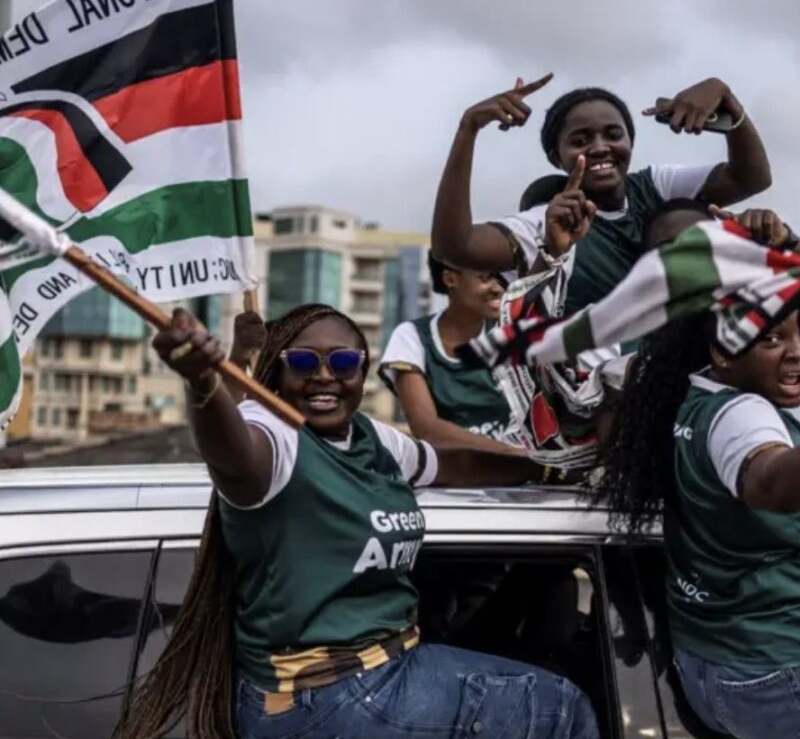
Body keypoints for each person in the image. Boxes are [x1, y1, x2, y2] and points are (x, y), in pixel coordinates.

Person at [115, 303, 599, 739]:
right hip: (333, 693)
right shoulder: (277, 442)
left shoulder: (370, 439)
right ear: (279, 373)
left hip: (373, 679)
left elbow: (454, 465)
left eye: (343, 363)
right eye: (304, 363)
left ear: (362, 372)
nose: (324, 376)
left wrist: (548, 466)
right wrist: (203, 382)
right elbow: (232, 452)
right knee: (567, 708)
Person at [596, 308, 800, 739]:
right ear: (723, 352)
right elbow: (768, 482)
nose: (795, 352)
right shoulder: (740, 417)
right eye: (771, 340)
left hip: (715, 662)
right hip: (772, 672)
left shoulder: (702, 391)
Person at [432, 75, 772, 314]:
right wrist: (468, 129)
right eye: (580, 141)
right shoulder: (550, 221)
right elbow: (454, 247)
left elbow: (750, 177)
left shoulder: (655, 186)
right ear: (556, 157)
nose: (600, 148)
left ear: (630, 142)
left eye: (613, 135)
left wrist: (728, 101)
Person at [380, 252, 520, 455]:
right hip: (451, 476)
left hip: (519, 479)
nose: (498, 288)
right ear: (450, 279)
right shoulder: (412, 337)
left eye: (502, 278)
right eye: (485, 277)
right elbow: (427, 429)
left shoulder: (511, 334)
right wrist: (513, 454)